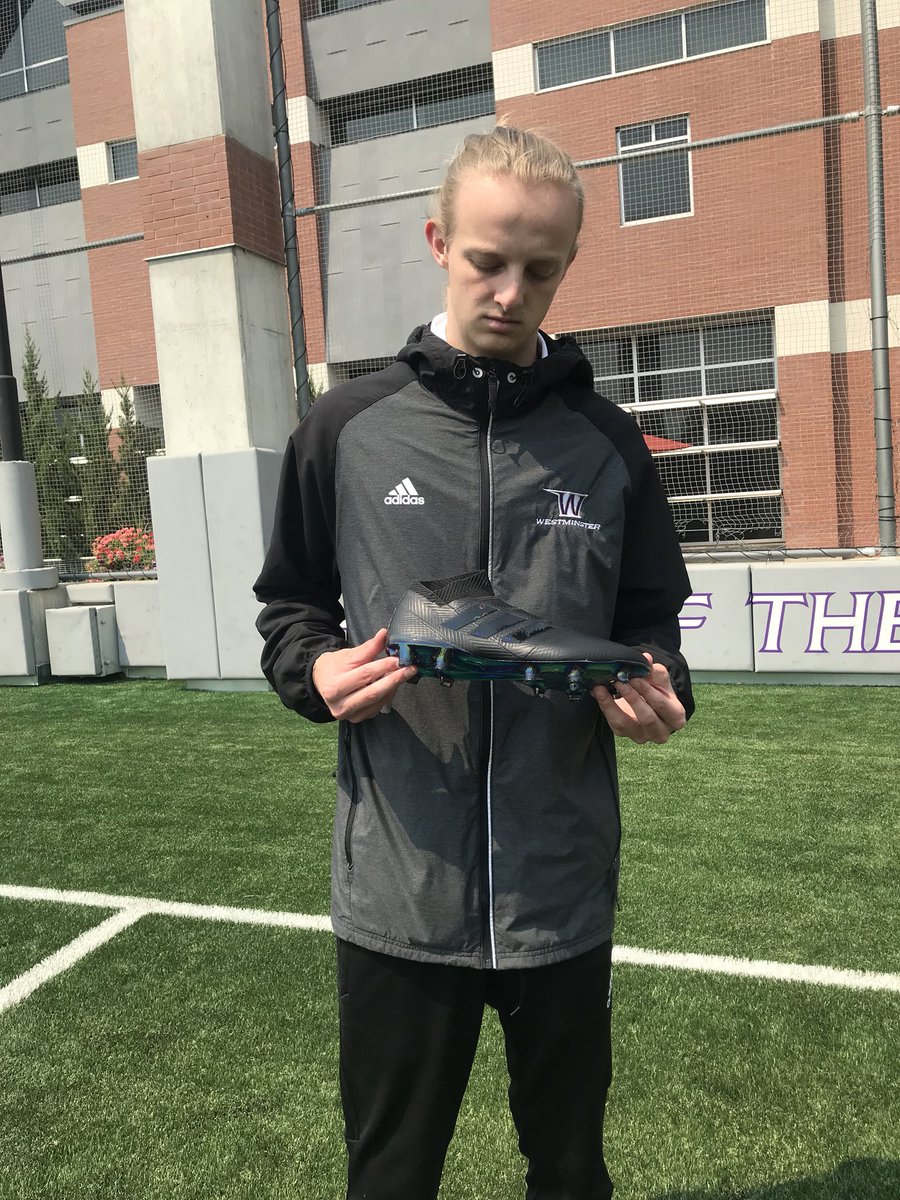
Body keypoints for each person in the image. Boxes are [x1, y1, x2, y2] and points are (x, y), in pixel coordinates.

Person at [254, 123, 694, 1200]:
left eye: (541, 270)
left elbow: (651, 623)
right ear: (438, 242)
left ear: (568, 265)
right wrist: (314, 673)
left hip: (560, 884)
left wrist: (661, 691)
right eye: (488, 260)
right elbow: (291, 604)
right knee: (391, 1176)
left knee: (570, 1169)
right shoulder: (347, 428)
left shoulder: (607, 443)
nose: (510, 292)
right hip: (400, 888)